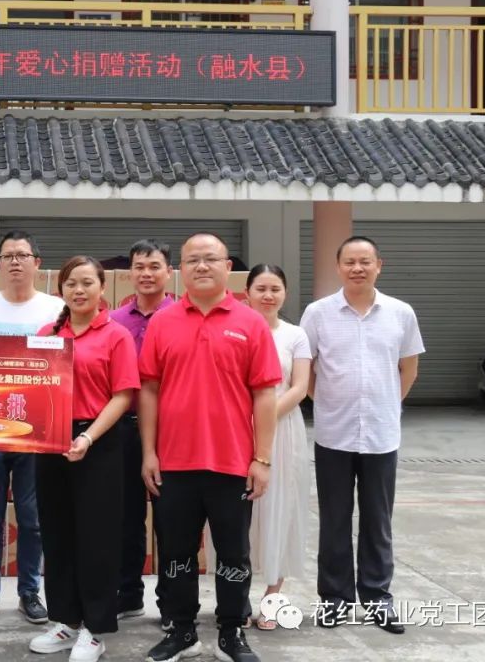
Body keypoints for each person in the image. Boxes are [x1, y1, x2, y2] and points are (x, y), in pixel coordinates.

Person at [140, 233, 281, 662]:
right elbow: (149, 389)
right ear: (180, 269)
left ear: (228, 267)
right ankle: (181, 630)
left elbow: (265, 394)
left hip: (232, 462)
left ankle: (231, 631)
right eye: (193, 260)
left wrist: (262, 458)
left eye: (211, 259)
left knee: (234, 553)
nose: (202, 266)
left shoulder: (250, 323)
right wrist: (149, 452)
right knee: (176, 553)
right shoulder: (163, 322)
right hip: (173, 463)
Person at [300, 236, 424, 634]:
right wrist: (326, 402)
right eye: (350, 261)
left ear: (378, 265)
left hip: (382, 436)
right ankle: (334, 600)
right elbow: (305, 369)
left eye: (365, 261)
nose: (358, 268)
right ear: (338, 267)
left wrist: (386, 404)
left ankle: (377, 598)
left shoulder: (401, 313)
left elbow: (409, 369)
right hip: (333, 434)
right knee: (334, 519)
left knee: (377, 520)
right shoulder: (318, 314)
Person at [29, 256, 139, 662]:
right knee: (57, 534)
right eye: (71, 283)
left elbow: (123, 395)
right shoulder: (46, 334)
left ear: (102, 288)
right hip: (51, 443)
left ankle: (95, 628)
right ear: (61, 289)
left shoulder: (116, 335)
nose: (79, 290)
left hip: (100, 443)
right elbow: (31, 388)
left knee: (97, 538)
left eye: (87, 283)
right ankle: (65, 620)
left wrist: (88, 437)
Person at [0, 230, 63, 625]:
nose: (15, 261)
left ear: (37, 263)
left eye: (23, 255)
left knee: (32, 518)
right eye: (8, 256)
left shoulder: (55, 308)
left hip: (37, 430)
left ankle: (29, 592)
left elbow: (61, 367)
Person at [109, 239, 175, 625]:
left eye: (154, 266)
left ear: (169, 272)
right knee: (125, 517)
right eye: (139, 267)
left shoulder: (182, 317)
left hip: (170, 431)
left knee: (171, 519)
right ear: (129, 273)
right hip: (122, 429)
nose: (146, 274)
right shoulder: (114, 320)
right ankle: (128, 594)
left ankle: (170, 603)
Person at [243, 264, 311, 630]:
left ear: (284, 294)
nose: (268, 296)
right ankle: (236, 598)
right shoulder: (236, 328)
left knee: (281, 509)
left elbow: (299, 388)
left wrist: (262, 420)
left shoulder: (296, 335)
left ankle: (272, 599)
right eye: (261, 288)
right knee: (238, 515)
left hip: (283, 432)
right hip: (237, 432)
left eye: (275, 289)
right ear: (247, 292)